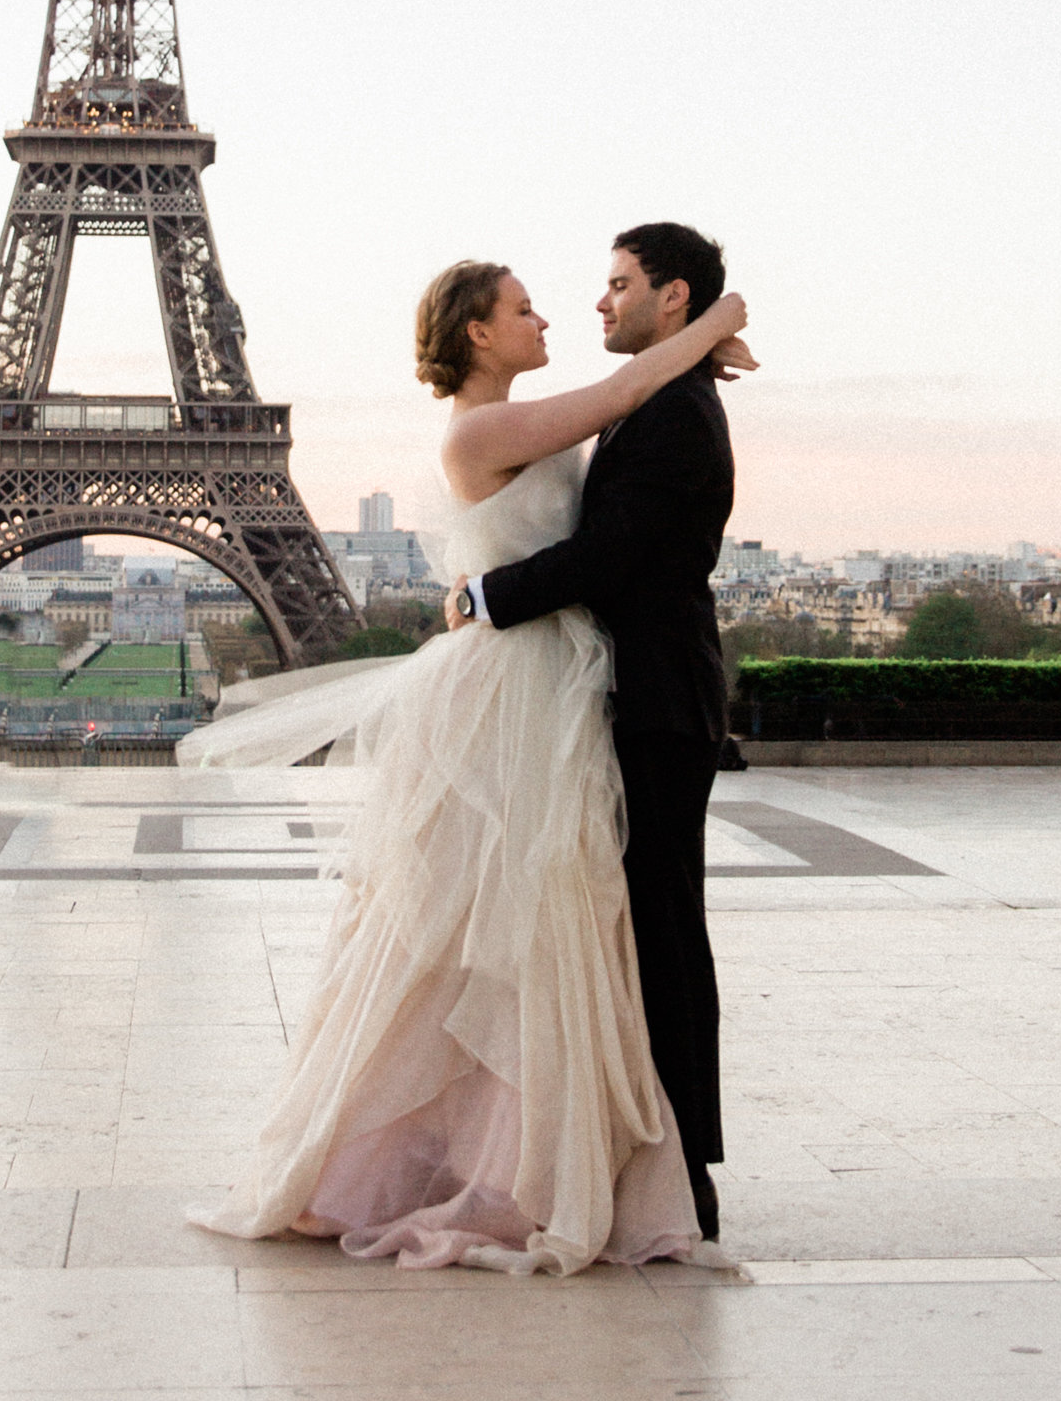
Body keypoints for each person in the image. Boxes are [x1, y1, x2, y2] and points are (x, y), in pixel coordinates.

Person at [181, 252, 752, 1275]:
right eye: (523, 309)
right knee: (504, 916)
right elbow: (623, 390)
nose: (550, 318)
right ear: (477, 334)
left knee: (532, 916)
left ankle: (524, 1152)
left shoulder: (538, 419)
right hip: (513, 689)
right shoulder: (487, 429)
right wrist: (716, 322)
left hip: (549, 684)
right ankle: (501, 1157)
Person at [445, 224, 738, 1244]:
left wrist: (484, 592)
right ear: (477, 332)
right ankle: (620, 1154)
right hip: (605, 696)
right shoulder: (646, 399)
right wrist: (708, 336)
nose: (593, 305)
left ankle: (681, 1165)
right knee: (625, 933)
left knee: (656, 933)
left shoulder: (666, 412)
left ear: (673, 295)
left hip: (649, 701)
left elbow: (610, 553)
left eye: (616, 286)